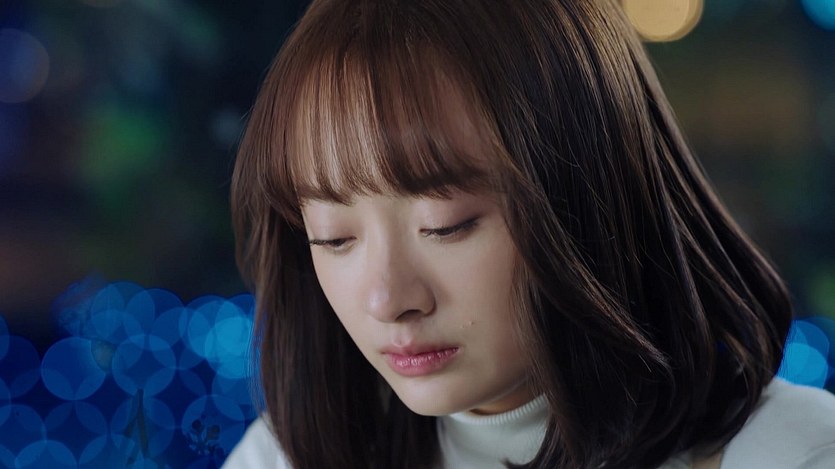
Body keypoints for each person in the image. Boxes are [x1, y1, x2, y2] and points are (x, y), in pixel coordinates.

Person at [223, 0, 835, 468]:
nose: (388, 300)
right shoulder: (284, 456)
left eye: (446, 225)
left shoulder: (793, 452)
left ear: (588, 196)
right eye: (334, 237)